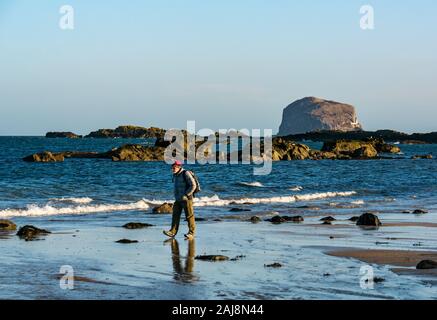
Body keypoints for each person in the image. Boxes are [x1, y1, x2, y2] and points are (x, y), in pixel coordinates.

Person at [163, 160, 196, 240]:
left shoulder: (186, 173)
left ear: (179, 167)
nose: (173, 169)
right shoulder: (175, 175)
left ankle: (191, 233)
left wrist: (186, 195)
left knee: (189, 216)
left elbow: (193, 185)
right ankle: (172, 232)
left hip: (187, 199)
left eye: (174, 168)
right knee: (175, 215)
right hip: (178, 199)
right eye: (172, 168)